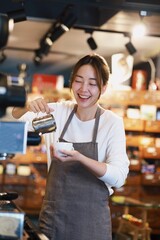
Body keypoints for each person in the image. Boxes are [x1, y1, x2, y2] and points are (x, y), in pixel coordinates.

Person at [12, 53, 130, 240]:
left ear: (103, 88)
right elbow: (12, 124)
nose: (84, 89)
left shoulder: (111, 122)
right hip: (53, 222)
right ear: (71, 82)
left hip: (91, 226)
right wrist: (26, 107)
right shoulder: (58, 112)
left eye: (92, 83)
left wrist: (81, 158)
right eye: (79, 81)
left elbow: (119, 177)